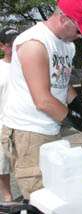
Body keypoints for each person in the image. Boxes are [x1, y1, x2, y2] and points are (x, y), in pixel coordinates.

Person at [1, 0, 82, 199]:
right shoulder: (34, 43)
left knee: (58, 189)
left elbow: (62, 85)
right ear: (63, 18)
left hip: (52, 127)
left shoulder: (67, 46)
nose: (80, 35)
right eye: (78, 29)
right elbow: (43, 100)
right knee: (41, 197)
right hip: (29, 130)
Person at [0, 27, 19, 202]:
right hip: (2, 124)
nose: (14, 47)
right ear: (2, 46)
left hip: (23, 124)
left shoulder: (26, 65)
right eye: (10, 44)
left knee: (23, 164)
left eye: (17, 43)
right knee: (2, 166)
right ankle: (7, 197)